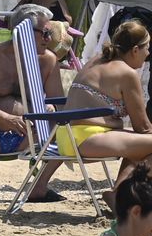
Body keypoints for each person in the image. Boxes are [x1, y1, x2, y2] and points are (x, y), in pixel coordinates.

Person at [0, 3, 66, 203]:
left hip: (30, 136)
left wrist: (50, 108)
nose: (49, 39)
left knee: (62, 124)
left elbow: (58, 104)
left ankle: (39, 186)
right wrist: (7, 118)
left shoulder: (48, 61)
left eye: (50, 33)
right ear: (23, 32)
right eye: (44, 33)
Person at [55, 19, 152, 185]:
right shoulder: (127, 74)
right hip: (86, 139)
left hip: (66, 136)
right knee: (145, 142)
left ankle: (118, 194)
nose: (148, 53)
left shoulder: (98, 59)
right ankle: (124, 197)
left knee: (140, 144)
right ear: (135, 50)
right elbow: (143, 128)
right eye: (147, 48)